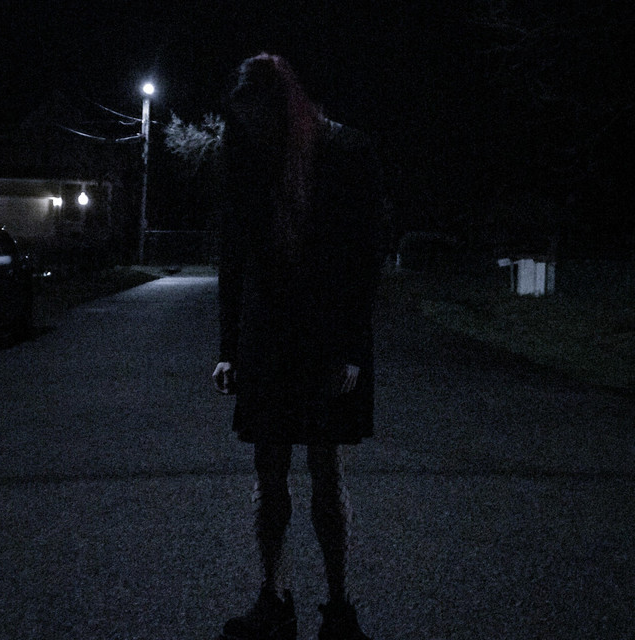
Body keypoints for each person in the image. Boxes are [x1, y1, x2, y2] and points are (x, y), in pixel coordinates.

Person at [212, 52, 382, 640]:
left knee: (325, 470)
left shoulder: (343, 150)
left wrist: (353, 348)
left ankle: (339, 607)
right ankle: (274, 597)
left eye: (259, 115)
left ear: (283, 105)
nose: (252, 127)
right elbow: (234, 254)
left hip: (324, 336)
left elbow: (364, 258)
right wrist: (229, 345)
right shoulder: (248, 156)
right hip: (268, 335)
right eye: (245, 118)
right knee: (269, 471)